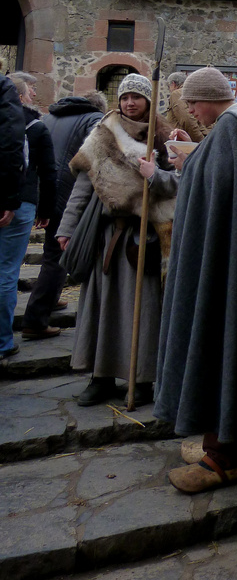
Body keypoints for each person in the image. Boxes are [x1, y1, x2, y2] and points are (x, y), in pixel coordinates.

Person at [153, 66, 237, 494]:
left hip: (224, 264)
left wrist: (189, 165)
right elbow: (221, 181)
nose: (189, 110)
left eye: (194, 102)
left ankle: (225, 455)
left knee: (217, 340)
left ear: (212, 96)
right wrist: (194, 157)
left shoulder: (231, 128)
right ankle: (214, 437)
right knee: (216, 342)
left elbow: (218, 190)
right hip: (227, 258)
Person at [56, 74, 176, 407]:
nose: (129, 103)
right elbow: (82, 190)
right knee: (103, 309)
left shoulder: (164, 137)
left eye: (137, 97)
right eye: (124, 98)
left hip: (146, 240)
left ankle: (144, 380)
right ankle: (101, 377)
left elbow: (179, 185)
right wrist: (66, 229)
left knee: (146, 310)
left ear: (148, 102)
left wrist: (157, 175)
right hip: (109, 237)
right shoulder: (101, 137)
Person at [22, 91, 106, 340]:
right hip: (70, 193)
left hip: (44, 191)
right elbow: (96, 153)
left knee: (52, 251)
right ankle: (35, 319)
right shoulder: (95, 119)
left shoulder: (49, 117)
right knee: (58, 257)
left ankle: (52, 297)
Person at [4, 75, 58, 346]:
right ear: (20, 96)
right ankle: (2, 340)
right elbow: (48, 173)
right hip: (20, 202)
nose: (35, 93)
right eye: (31, 90)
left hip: (18, 202)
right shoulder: (36, 127)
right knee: (7, 272)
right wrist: (46, 210)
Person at [0, 73, 40, 360]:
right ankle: (2, 341)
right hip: (10, 203)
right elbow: (14, 151)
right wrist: (10, 200)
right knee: (5, 273)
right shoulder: (8, 102)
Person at [166, 72, 207, 142]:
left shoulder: (176, 94)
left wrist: (200, 142)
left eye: (169, 86)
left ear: (173, 84)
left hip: (185, 142)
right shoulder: (195, 93)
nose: (169, 89)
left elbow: (187, 120)